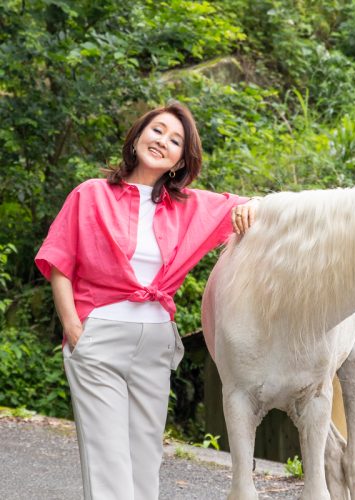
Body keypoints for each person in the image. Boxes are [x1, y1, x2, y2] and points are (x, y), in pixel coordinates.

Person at [35, 102, 256, 500]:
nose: (163, 142)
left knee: (145, 456)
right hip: (98, 335)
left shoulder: (188, 205)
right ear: (138, 135)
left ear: (178, 161)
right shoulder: (91, 195)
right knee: (108, 458)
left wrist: (253, 207)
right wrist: (72, 327)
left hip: (155, 341)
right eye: (157, 130)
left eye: (175, 141)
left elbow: (247, 206)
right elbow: (59, 263)